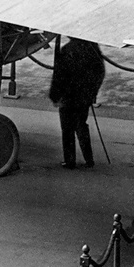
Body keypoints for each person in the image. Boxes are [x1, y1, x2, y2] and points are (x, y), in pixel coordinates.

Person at [48, 37, 105, 169]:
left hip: (68, 97)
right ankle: (88, 158)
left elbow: (59, 76)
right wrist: (92, 92)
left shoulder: (67, 50)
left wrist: (54, 95)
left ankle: (70, 160)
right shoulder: (92, 49)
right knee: (81, 125)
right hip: (84, 96)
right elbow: (99, 71)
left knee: (67, 129)